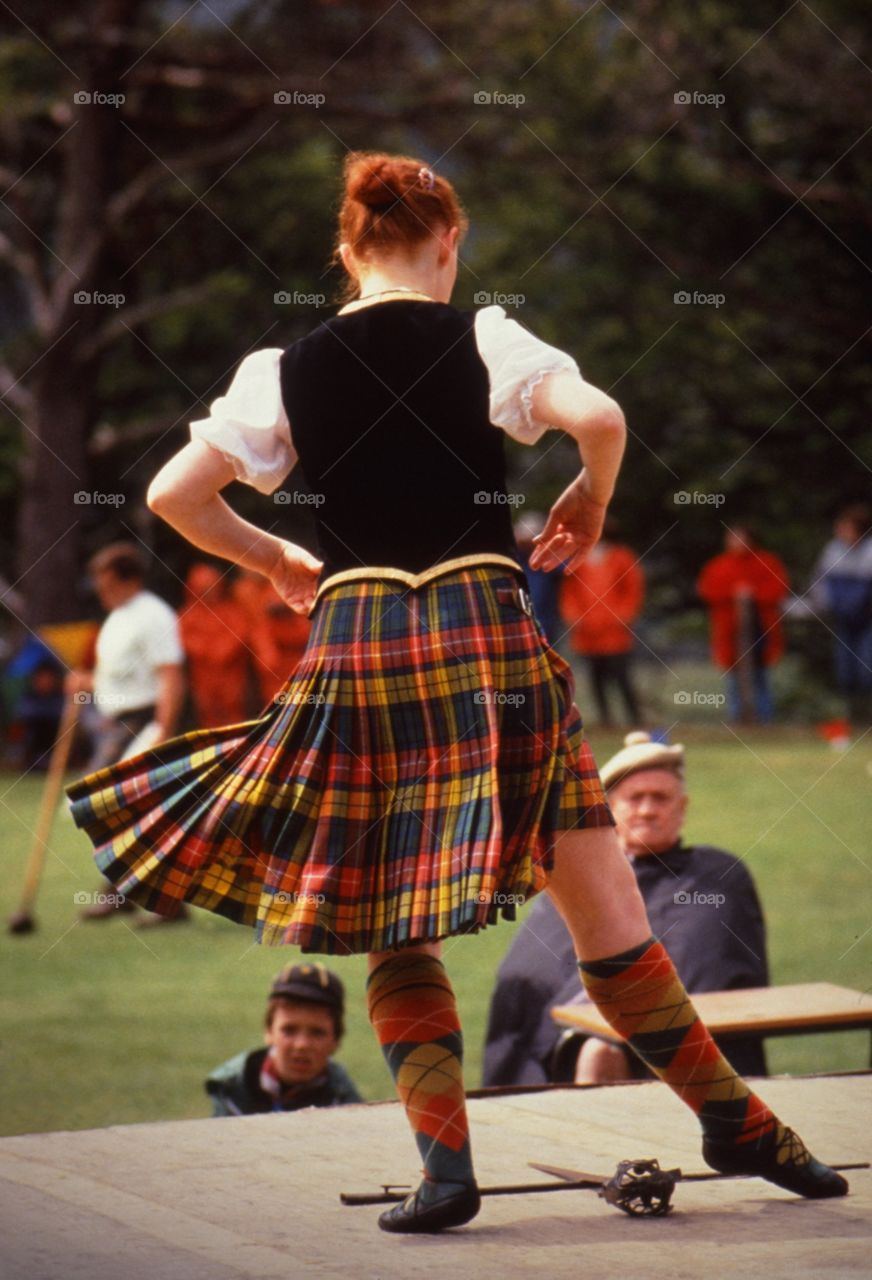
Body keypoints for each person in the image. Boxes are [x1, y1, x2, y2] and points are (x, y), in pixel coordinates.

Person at [67, 151, 847, 1233]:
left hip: (362, 644)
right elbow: (603, 416)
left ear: (345, 253)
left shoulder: (280, 366)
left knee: (393, 911)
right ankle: (733, 1119)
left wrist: (276, 557)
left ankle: (445, 1171)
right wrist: (590, 491)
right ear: (449, 246)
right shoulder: (486, 336)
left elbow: (171, 494)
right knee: (608, 913)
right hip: (489, 647)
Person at [483, 731, 769, 1088]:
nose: (648, 810)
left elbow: (711, 964)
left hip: (684, 1042)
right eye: (636, 798)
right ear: (611, 810)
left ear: (682, 808)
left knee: (600, 1053)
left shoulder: (716, 875)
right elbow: (530, 977)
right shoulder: (580, 877)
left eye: (661, 799)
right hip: (570, 1041)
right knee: (596, 1052)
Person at [66, 542, 187, 923]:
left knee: (135, 809)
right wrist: (85, 681)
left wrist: (164, 730)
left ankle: (163, 901)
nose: (100, 591)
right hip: (115, 721)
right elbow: (115, 677)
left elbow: (170, 674)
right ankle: (124, 893)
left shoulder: (153, 615)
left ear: (128, 578)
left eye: (106, 583)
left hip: (145, 719)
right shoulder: (117, 617)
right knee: (112, 809)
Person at [206, 963, 362, 1116]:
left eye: (317, 1033)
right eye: (289, 1030)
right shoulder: (232, 1090)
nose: (302, 1045)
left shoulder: (347, 1105)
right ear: (268, 1031)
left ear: (336, 1040)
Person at [697, 524, 790, 724]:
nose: (735, 543)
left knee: (760, 675)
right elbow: (707, 590)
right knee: (733, 677)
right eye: (732, 539)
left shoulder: (767, 562)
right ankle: (737, 718)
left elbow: (778, 589)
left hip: (760, 628)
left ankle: (765, 719)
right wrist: (734, 594)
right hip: (729, 631)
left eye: (740, 538)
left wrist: (752, 594)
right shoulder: (718, 565)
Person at [558, 514, 644, 726]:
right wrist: (573, 616)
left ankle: (634, 718)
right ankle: (605, 719)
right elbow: (569, 592)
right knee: (596, 677)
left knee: (622, 676)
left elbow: (633, 590)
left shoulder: (622, 557)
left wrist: (624, 616)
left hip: (614, 630)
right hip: (588, 631)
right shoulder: (579, 559)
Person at [808, 505, 872, 729]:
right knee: (846, 672)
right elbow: (820, 583)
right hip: (843, 620)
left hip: (867, 621)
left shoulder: (870, 552)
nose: (839, 530)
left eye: (845, 527)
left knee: (867, 670)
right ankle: (853, 718)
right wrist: (826, 606)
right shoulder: (833, 551)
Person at [178, 562, 251, 728]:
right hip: (203, 677)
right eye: (203, 588)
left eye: (212, 587)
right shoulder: (188, 614)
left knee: (235, 714)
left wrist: (223, 650)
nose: (208, 592)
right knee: (207, 714)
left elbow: (240, 633)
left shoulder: (231, 610)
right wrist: (206, 650)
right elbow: (184, 638)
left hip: (231, 675)